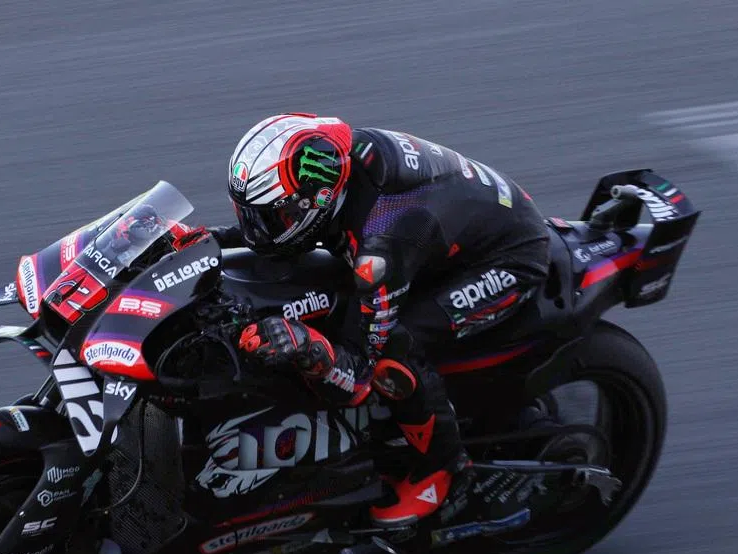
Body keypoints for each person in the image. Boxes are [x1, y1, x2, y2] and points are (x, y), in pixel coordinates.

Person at [207, 113, 551, 530]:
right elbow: (266, 234)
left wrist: (304, 344)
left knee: (396, 353)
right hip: (445, 235)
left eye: (271, 217)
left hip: (506, 257)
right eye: (248, 214)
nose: (256, 228)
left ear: (317, 202)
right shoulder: (327, 157)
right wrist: (206, 240)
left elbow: (359, 376)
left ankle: (443, 471)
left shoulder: (380, 248)